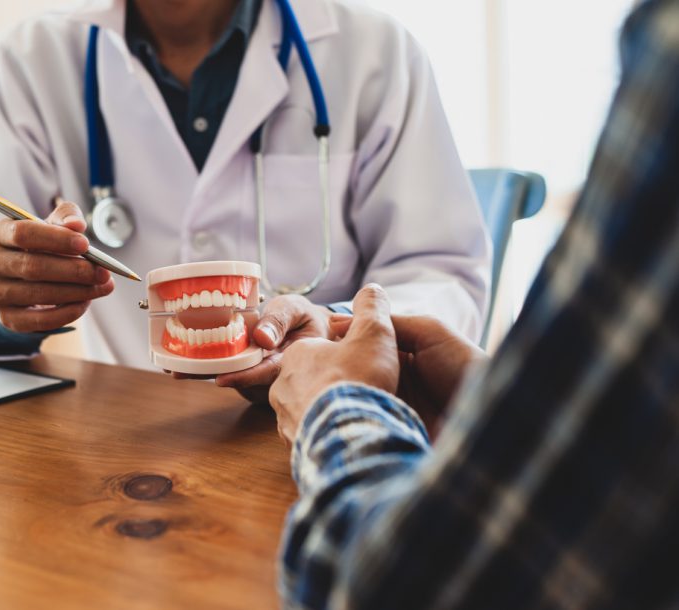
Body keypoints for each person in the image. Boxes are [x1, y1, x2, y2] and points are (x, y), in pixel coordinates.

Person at [268, 0, 679, 606]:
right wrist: (498, 403)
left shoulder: (668, 46)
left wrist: (337, 400)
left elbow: (409, 587)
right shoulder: (71, 47)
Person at [0, 0, 490, 399]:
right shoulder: (34, 56)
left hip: (326, 431)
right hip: (126, 439)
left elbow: (441, 271)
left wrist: (339, 331)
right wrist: (1, 295)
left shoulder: (376, 52)